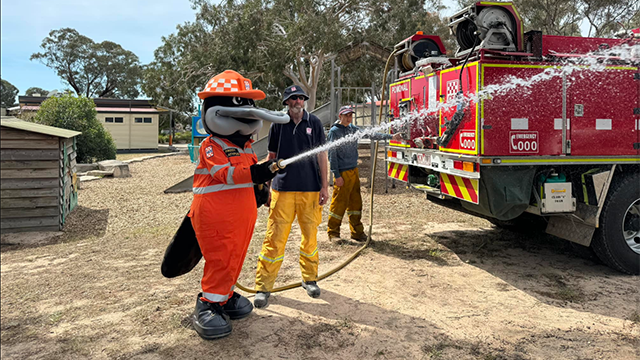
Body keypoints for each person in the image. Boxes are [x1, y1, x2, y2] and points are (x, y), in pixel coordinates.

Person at [188, 70, 288, 340]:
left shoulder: (245, 147)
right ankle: (208, 304)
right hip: (215, 215)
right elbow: (225, 174)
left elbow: (249, 174)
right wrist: (257, 174)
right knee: (220, 257)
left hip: (241, 215)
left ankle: (224, 296)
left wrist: (262, 190)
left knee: (235, 255)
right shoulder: (212, 146)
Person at [254, 85, 329, 308]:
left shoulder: (314, 123)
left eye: (301, 98)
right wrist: (267, 187)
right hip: (282, 190)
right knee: (274, 238)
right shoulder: (279, 124)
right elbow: (272, 156)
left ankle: (309, 279)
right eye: (293, 99)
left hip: (310, 190)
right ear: (287, 102)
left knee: (310, 237)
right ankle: (263, 286)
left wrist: (324, 187)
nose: (298, 102)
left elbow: (322, 155)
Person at [326, 105, 402, 242]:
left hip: (353, 170)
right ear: (340, 117)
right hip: (342, 173)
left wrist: (391, 136)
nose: (349, 118)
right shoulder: (334, 132)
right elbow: (332, 154)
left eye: (350, 115)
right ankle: (333, 233)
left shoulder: (353, 129)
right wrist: (336, 175)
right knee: (339, 203)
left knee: (356, 203)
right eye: (346, 115)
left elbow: (371, 134)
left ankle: (357, 233)